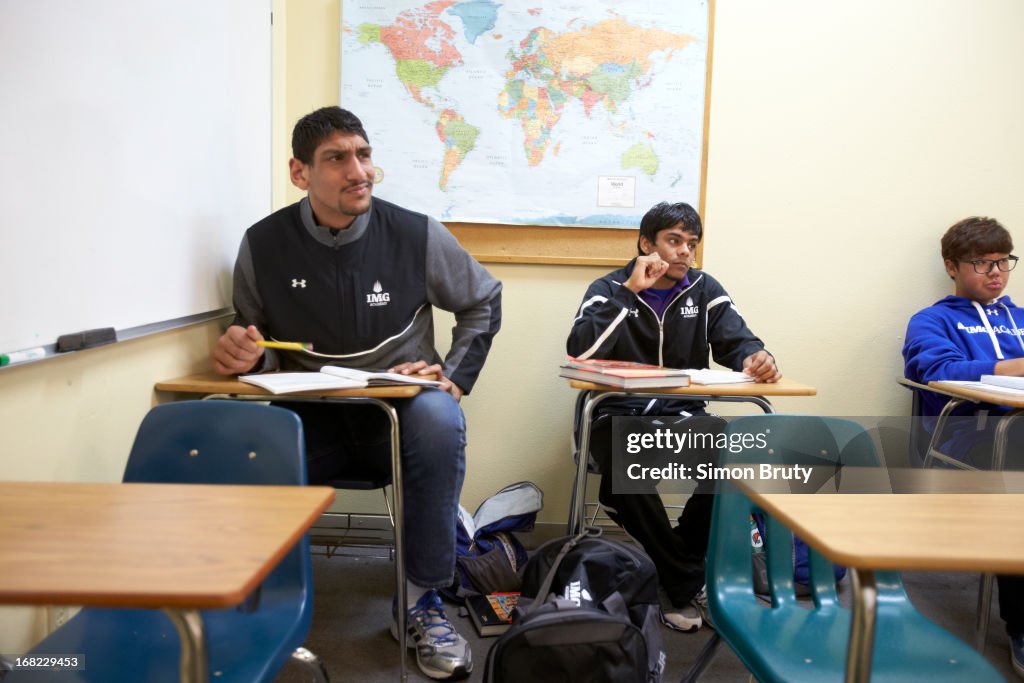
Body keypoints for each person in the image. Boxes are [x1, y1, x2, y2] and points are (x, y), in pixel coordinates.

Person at [212, 106, 501, 681]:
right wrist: (243, 355)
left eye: (363, 155)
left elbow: (483, 300)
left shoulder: (416, 233)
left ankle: (420, 602)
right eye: (337, 159)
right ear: (300, 173)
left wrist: (453, 377)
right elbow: (258, 341)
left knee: (440, 418)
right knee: (248, 440)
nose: (358, 170)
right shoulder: (262, 244)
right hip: (310, 412)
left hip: (403, 412)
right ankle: (264, 608)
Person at [565, 201, 780, 632]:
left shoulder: (704, 290)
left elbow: (738, 341)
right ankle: (685, 580)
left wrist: (758, 358)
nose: (685, 252)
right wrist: (630, 292)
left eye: (692, 244)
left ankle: (672, 566)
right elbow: (581, 352)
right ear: (647, 243)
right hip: (616, 414)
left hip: (683, 413)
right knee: (629, 456)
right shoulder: (608, 288)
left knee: (737, 452)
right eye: (674, 241)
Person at [902, 216, 1024, 678]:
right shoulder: (932, 320)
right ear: (952, 267)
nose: (995, 272)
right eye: (981, 263)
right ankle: (1021, 625)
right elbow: (936, 369)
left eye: (1003, 262)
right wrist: (1015, 367)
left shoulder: (1022, 318)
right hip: (971, 439)